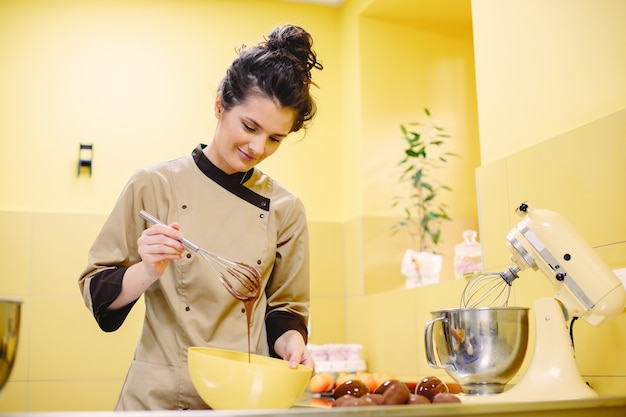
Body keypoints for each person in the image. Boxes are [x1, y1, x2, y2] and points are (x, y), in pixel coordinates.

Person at [78, 24, 323, 410]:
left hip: (243, 399)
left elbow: (286, 310)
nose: (258, 147)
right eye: (250, 126)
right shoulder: (153, 184)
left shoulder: (286, 208)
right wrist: (147, 269)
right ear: (219, 106)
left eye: (276, 138)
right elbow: (97, 291)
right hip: (157, 400)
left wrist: (293, 345)